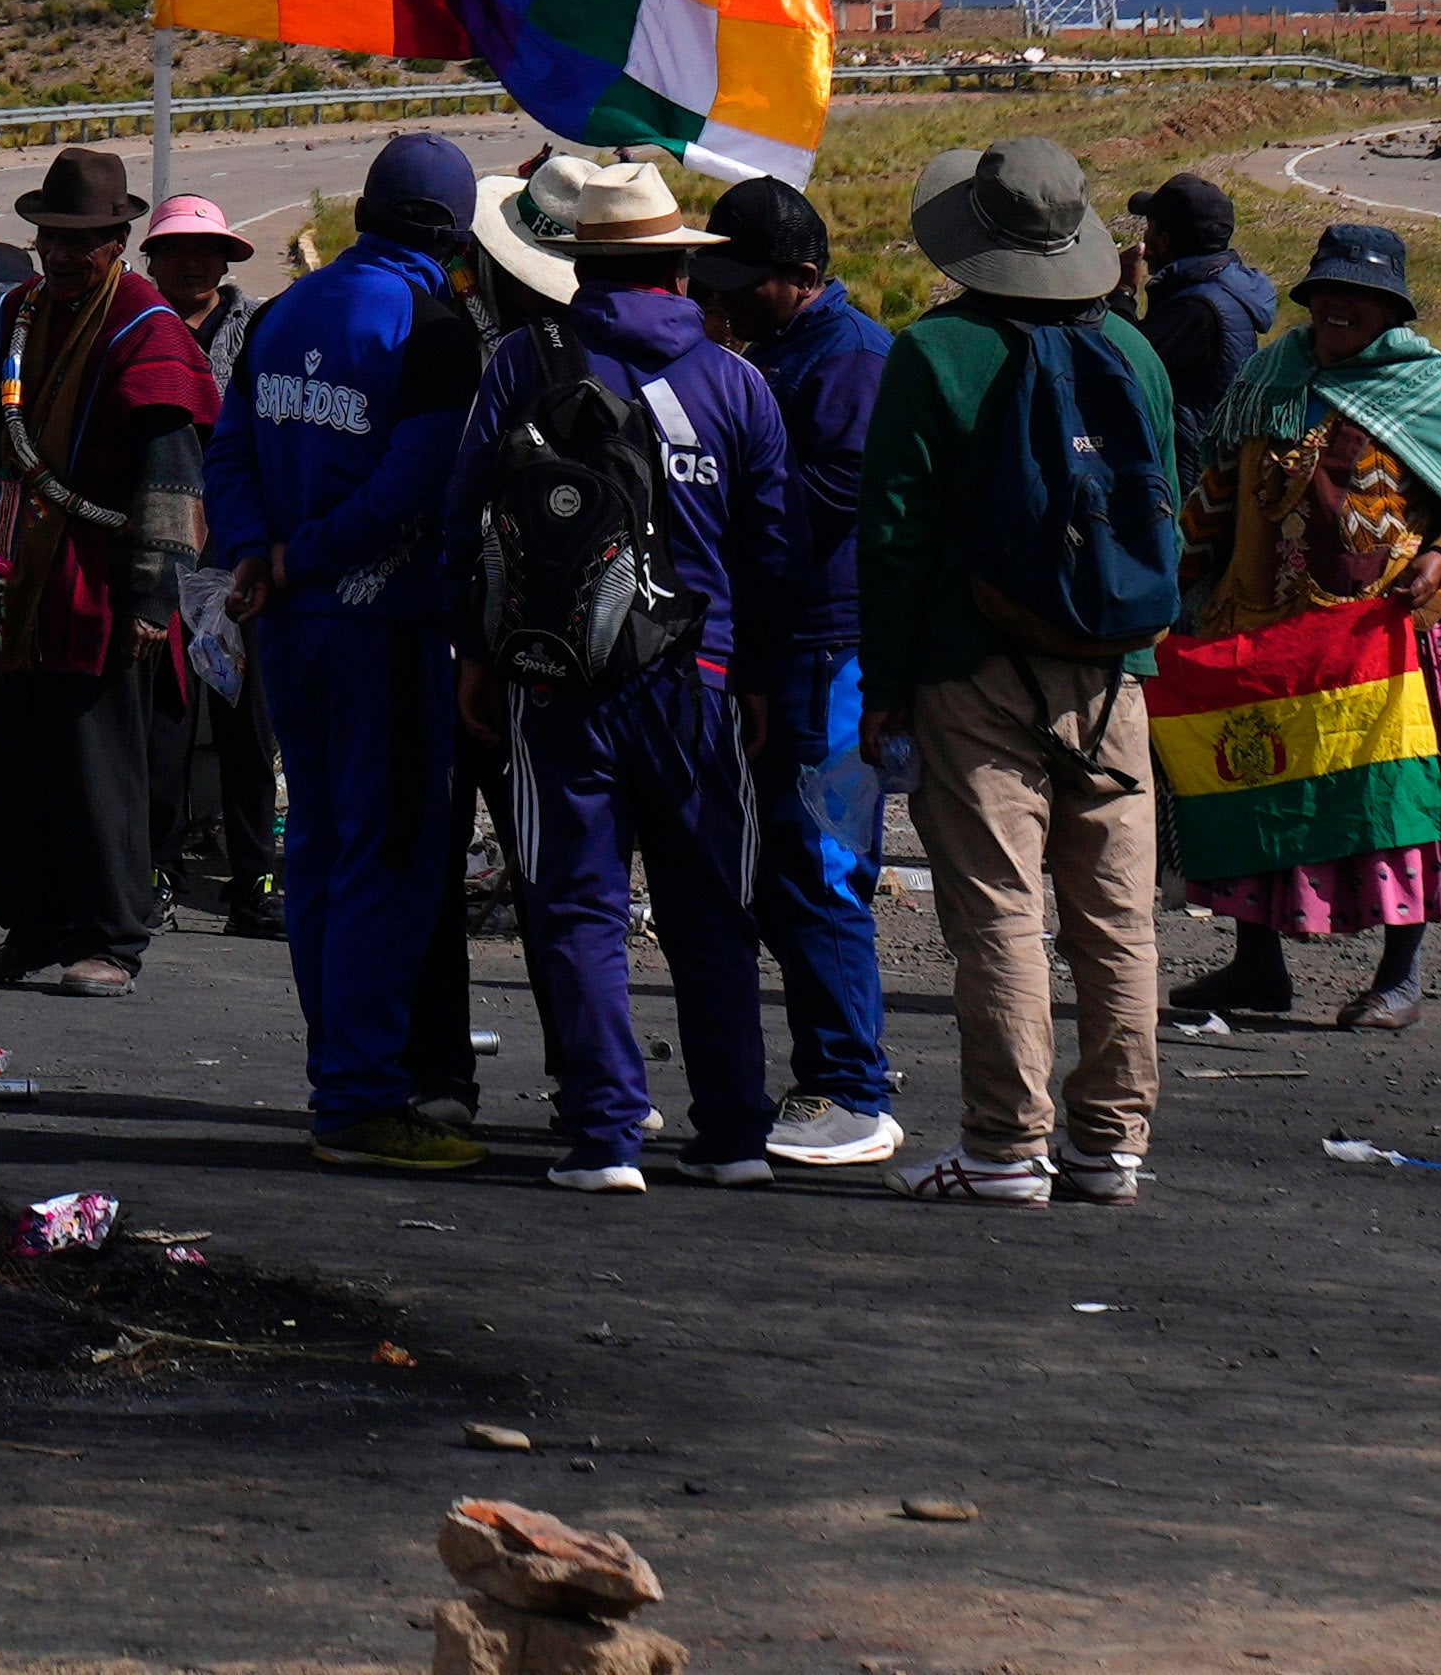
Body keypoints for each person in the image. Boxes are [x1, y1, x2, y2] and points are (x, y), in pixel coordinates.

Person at [855, 134, 1180, 1211]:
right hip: (1109, 676)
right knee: (1115, 916)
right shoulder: (1133, 355)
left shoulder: (934, 353)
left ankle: (1004, 1147)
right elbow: (1160, 516)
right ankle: (1111, 1143)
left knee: (999, 911)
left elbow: (894, 539)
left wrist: (887, 685)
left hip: (972, 666)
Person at [462, 148, 794, 1191]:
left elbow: (463, 516)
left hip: (557, 678)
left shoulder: (523, 364)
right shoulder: (736, 382)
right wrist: (755, 678)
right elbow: (771, 547)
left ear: (580, 263)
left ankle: (606, 1132)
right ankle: (736, 1131)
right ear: (680, 272)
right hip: (697, 677)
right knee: (710, 911)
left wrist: (475, 655)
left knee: (577, 906)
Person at [1161, 221, 1441, 1036]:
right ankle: (1257, 963)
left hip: (1390, 643)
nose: (1339, 308)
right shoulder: (1273, 373)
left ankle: (1399, 976)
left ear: (1389, 308)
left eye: (1359, 297)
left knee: (1394, 801)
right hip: (1272, 636)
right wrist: (1167, 577)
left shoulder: (1420, 385)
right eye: (1327, 292)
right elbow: (1220, 488)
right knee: (1255, 784)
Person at [211, 134, 492, 1169]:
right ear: (454, 233)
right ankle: (364, 1100)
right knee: (390, 858)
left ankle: (341, 1078)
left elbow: (230, 447)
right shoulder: (434, 327)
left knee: (321, 853)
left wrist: (257, 556)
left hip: (290, 632)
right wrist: (300, 559)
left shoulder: (283, 312)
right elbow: (411, 486)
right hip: (382, 629)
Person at [0, 148, 220, 992]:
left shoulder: (147, 326)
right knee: (7, 761)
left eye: (83, 242)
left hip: (95, 581)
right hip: (7, 575)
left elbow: (171, 474)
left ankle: (111, 935)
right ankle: (31, 925)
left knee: (94, 765)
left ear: (118, 240)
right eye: (50, 239)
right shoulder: (17, 314)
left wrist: (151, 593)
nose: (63, 257)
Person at [696, 178, 905, 1176]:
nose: (726, 297)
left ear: (805, 280)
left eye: (745, 283)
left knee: (822, 867)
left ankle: (851, 1090)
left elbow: (829, 498)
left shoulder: (854, 359)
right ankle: (834, 1071)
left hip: (831, 649)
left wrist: (717, 509)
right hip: (786, 649)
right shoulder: (775, 351)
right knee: (787, 867)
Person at [139, 194, 277, 932]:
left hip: (238, 549)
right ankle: (156, 868)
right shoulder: (135, 324)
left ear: (225, 258)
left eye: (205, 249)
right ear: (153, 259)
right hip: (158, 546)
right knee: (164, 717)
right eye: (176, 250)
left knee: (246, 724)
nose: (192, 262)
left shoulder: (261, 329)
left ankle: (253, 878)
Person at [1127, 175, 1273, 474]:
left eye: (1150, 227)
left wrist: (1122, 294)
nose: (1144, 238)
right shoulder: (1221, 289)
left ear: (1164, 242)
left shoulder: (1196, 310)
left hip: (1187, 477)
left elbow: (1124, 364)